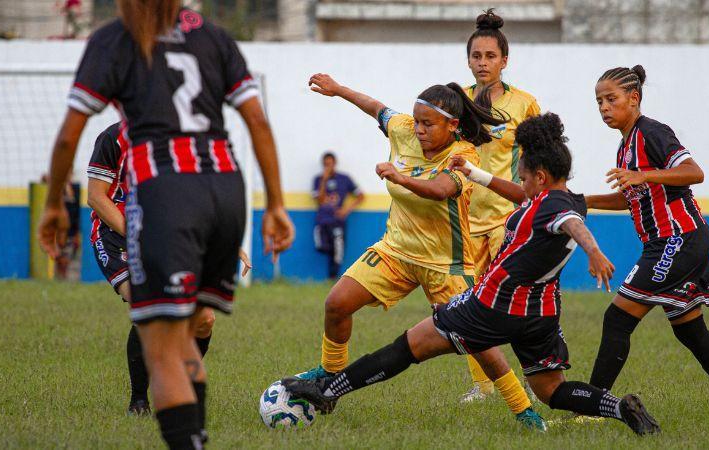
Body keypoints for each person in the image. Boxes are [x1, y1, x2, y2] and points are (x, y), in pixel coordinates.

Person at [282, 113, 661, 436]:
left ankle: (328, 390)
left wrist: (594, 251)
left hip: (492, 305)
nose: (522, 183)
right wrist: (476, 174)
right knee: (551, 391)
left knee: (407, 347)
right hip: (541, 315)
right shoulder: (560, 197)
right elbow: (533, 200)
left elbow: (571, 223)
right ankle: (619, 407)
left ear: (541, 177)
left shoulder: (557, 209)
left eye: (524, 177)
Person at [37, 2, 295, 448]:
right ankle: (172, 419)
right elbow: (257, 120)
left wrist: (53, 203)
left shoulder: (115, 38)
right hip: (225, 189)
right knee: (187, 325)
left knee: (168, 339)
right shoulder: (214, 36)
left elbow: (67, 135)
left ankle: (183, 434)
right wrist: (275, 203)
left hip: (166, 196)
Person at [295, 74, 545, 429]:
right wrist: (338, 90)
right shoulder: (403, 130)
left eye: (428, 123)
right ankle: (330, 377)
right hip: (395, 251)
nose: (419, 129)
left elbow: (441, 190)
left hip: (446, 264)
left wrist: (401, 178)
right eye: (416, 121)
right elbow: (376, 108)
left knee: (476, 341)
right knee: (336, 303)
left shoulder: (463, 154)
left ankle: (523, 410)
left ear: (452, 125)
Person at [586, 65, 709, 422]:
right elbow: (630, 198)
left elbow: (694, 172)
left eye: (611, 99)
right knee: (690, 330)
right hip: (674, 243)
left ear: (633, 98)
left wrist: (645, 174)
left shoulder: (652, 132)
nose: (604, 107)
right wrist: (583, 201)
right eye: (599, 101)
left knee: (617, 318)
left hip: (677, 240)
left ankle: (591, 408)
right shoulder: (625, 147)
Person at [86, 122, 221, 416]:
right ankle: (139, 401)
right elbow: (96, 197)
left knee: (204, 319)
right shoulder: (113, 138)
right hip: (115, 236)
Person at [460, 7, 544, 404]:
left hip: (507, 220)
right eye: (476, 56)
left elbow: (542, 158)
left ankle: (535, 375)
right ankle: (483, 385)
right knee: (469, 304)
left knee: (515, 298)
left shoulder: (524, 104)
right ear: (468, 60)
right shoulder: (456, 101)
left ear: (504, 61)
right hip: (462, 220)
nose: (483, 62)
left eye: (490, 56)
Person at [312, 151, 364, 279]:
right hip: (323, 220)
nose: (328, 167)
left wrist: (346, 210)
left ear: (335, 163)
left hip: (337, 220)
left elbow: (360, 196)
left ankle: (333, 277)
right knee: (322, 247)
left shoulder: (344, 179)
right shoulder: (318, 179)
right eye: (326, 164)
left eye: (330, 164)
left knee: (338, 250)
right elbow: (320, 200)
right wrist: (324, 180)